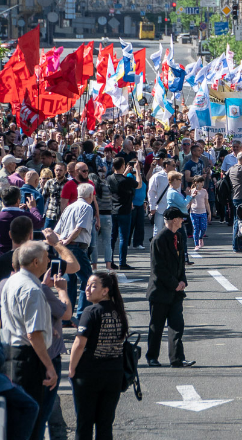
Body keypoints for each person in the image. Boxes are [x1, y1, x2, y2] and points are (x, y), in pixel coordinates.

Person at [0, 241, 59, 440]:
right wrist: (49, 366)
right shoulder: (32, 289)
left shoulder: (12, 281)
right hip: (29, 359)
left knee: (16, 422)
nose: (49, 261)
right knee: (32, 421)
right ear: (36, 262)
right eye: (46, 257)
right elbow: (33, 334)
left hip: (11, 354)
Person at [69, 270, 128, 439]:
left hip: (89, 374)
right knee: (105, 424)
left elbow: (79, 344)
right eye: (87, 285)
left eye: (93, 286)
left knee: (84, 423)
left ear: (105, 290)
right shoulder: (119, 311)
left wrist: (72, 369)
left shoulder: (91, 312)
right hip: (114, 373)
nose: (87, 289)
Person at [146, 207, 195, 368]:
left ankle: (177, 358)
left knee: (177, 326)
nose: (182, 221)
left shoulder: (178, 236)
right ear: (174, 220)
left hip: (176, 292)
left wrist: (182, 281)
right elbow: (158, 268)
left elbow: (181, 263)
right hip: (160, 291)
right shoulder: (159, 239)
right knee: (156, 326)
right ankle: (152, 356)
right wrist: (175, 284)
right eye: (181, 218)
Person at [54, 183, 97, 320]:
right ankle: (81, 315)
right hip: (77, 247)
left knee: (69, 281)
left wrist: (62, 242)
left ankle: (67, 316)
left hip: (66, 248)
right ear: (90, 195)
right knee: (88, 280)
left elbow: (57, 230)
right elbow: (79, 228)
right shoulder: (86, 207)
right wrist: (68, 240)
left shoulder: (68, 208)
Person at [105, 157, 141, 270]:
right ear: (122, 166)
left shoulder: (109, 178)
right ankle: (122, 262)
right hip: (124, 211)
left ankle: (110, 261)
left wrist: (124, 173)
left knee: (112, 237)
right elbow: (138, 184)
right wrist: (138, 170)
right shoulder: (126, 180)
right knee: (123, 238)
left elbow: (119, 180)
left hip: (112, 210)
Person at [0, 186, 43, 254]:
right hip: (21, 256)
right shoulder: (25, 215)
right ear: (18, 200)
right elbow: (39, 222)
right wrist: (33, 208)